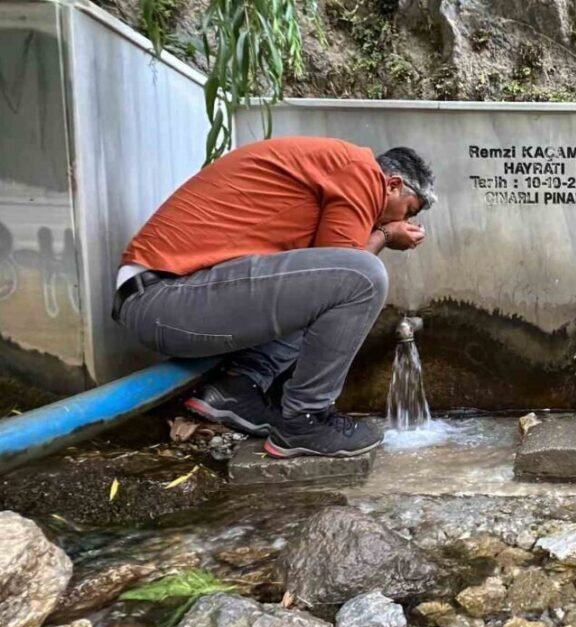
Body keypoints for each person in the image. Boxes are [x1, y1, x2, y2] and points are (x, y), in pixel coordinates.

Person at [112, 136, 435, 459]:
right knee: (366, 276)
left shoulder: (333, 169)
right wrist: (385, 235)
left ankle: (235, 389)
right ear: (392, 184)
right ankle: (306, 420)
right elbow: (350, 272)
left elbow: (326, 275)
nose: (402, 223)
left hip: (169, 298)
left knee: (326, 285)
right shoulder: (361, 170)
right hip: (163, 299)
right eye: (407, 212)